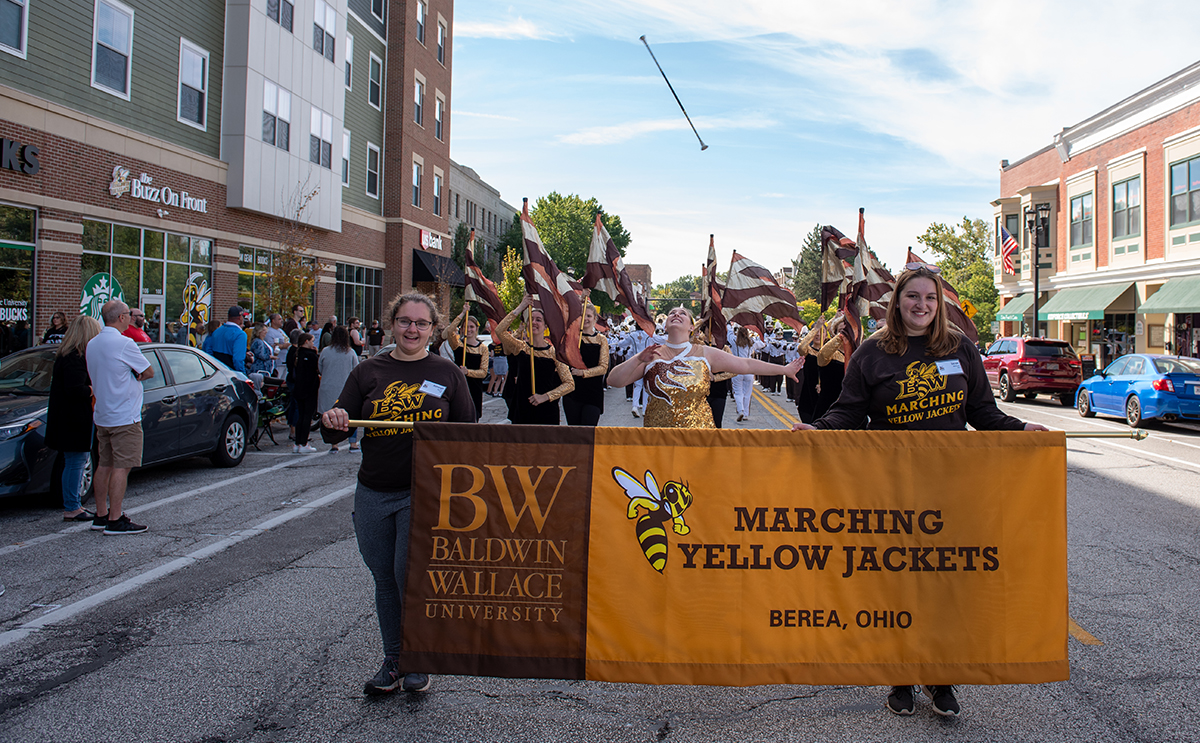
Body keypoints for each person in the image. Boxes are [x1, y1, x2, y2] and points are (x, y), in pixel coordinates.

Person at [792, 264, 1048, 718]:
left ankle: (940, 676)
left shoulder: (961, 349)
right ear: (898, 302)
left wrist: (1024, 427)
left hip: (950, 489)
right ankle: (901, 677)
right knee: (898, 585)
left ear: (939, 304)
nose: (922, 305)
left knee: (943, 585)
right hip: (890, 490)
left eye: (930, 298)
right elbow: (848, 413)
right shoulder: (872, 353)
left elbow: (983, 414)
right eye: (913, 297)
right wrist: (816, 430)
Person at [320, 292, 474, 696]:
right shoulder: (369, 371)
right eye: (405, 321)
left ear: (433, 329)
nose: (412, 330)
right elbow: (333, 428)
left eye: (421, 323)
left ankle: (417, 657)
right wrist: (334, 418)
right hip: (373, 490)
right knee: (384, 578)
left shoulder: (447, 372)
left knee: (409, 577)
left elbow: (471, 436)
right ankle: (394, 659)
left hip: (423, 492)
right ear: (392, 323)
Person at [608, 306, 801, 429]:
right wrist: (638, 360)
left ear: (692, 327)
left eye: (683, 313)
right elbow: (613, 381)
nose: (676, 314)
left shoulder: (705, 353)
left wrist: (784, 370)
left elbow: (746, 364)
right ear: (665, 325)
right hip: (657, 438)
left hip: (698, 436)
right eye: (672, 314)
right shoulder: (651, 354)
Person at [86, 300, 154, 534]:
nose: (131, 318)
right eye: (128, 314)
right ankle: (115, 520)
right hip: (125, 415)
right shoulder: (125, 343)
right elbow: (148, 371)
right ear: (122, 317)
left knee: (104, 464)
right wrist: (135, 378)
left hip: (103, 414)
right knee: (122, 467)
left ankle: (101, 515)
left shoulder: (92, 344)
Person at [45, 314, 103, 521]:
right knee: (75, 462)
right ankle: (72, 506)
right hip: (74, 418)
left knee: (74, 461)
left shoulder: (66, 354)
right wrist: (94, 388)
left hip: (67, 417)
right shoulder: (75, 357)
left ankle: (72, 504)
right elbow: (75, 389)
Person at [495, 295, 574, 425]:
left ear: (545, 326)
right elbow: (499, 331)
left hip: (547, 411)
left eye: (538, 320)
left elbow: (569, 384)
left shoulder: (554, 353)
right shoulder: (521, 347)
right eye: (530, 319)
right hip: (522, 410)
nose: (534, 322)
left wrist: (545, 397)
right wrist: (521, 307)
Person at [563, 301, 609, 426]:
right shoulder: (571, 338)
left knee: (588, 432)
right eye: (583, 315)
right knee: (574, 432)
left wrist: (583, 373)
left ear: (595, 319)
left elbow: (603, 368)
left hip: (593, 393)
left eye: (589, 316)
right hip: (573, 393)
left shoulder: (601, 340)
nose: (586, 318)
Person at [441, 307, 490, 422]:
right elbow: (449, 331)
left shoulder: (482, 348)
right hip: (458, 386)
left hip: (474, 389)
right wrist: (463, 313)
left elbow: (483, 373)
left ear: (477, 328)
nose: (469, 329)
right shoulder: (458, 345)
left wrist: (468, 372)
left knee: (473, 418)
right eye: (466, 326)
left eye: (471, 326)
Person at [318, 325, 360, 451]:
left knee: (331, 417)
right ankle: (352, 443)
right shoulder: (350, 352)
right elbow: (356, 370)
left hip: (328, 387)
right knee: (350, 416)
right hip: (346, 387)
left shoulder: (325, 351)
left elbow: (320, 368)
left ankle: (334, 443)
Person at [728, 325, 766, 422]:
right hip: (749, 369)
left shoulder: (733, 340)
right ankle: (745, 414)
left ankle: (740, 410)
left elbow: (728, 332)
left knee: (738, 392)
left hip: (737, 368)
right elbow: (763, 344)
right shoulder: (752, 342)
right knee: (747, 393)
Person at [292, 332, 320, 453]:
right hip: (309, 389)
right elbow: (316, 369)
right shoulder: (311, 356)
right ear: (306, 342)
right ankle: (304, 443)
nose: (313, 343)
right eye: (312, 341)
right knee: (307, 417)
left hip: (298, 388)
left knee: (301, 416)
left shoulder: (296, 354)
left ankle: (298, 442)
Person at [207, 306, 248, 372]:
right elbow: (238, 359)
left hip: (216, 372)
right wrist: (242, 375)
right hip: (231, 373)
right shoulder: (240, 335)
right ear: (240, 317)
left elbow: (208, 351)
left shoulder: (217, 331)